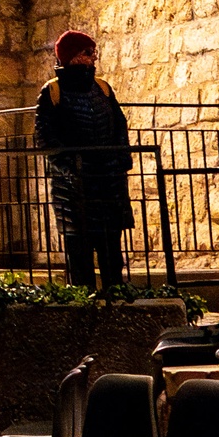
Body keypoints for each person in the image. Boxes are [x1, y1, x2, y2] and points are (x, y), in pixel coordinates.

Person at [35, 29, 133, 290]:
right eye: (88, 53)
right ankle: (85, 306)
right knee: (79, 252)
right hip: (73, 190)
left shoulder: (102, 88)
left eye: (93, 52)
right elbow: (46, 139)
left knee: (111, 250)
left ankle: (116, 300)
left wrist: (122, 159)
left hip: (108, 184)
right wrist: (72, 169)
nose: (93, 58)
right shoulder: (52, 92)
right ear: (73, 57)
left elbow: (119, 126)